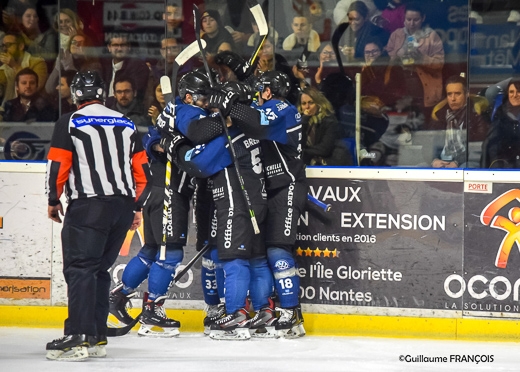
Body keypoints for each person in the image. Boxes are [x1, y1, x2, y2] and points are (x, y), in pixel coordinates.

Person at [156, 70, 272, 340]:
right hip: (257, 197)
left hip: (235, 200)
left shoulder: (229, 133)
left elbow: (200, 162)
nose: (209, 104)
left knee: (232, 258)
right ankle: (263, 312)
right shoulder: (250, 123)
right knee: (255, 259)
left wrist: (176, 148)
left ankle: (236, 316)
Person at [45, 70, 151, 361]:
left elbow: (58, 166)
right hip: (121, 208)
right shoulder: (127, 123)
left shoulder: (70, 122)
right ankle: (96, 337)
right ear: (103, 93)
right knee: (99, 270)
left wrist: (53, 200)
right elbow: (143, 173)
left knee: (81, 269)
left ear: (77, 94)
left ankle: (77, 336)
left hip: (89, 206)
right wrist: (136, 207)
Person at [108, 79, 196, 338]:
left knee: (151, 250)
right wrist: (166, 144)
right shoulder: (178, 115)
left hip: (159, 193)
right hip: (168, 194)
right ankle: (152, 310)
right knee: (169, 255)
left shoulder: (173, 113)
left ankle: (119, 296)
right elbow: (152, 141)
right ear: (190, 97)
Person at [385, 2, 444, 121]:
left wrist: (421, 58)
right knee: (400, 121)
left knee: (420, 120)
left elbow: (440, 63)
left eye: (416, 20)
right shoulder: (396, 35)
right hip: (400, 84)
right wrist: (397, 55)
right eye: (408, 19)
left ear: (423, 18)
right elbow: (386, 58)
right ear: (404, 19)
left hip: (422, 86)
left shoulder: (432, 36)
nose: (411, 23)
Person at [429, 75, 489, 168]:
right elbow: (428, 143)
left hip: (466, 161)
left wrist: (457, 162)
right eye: (449, 94)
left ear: (467, 94)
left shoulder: (477, 114)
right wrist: (434, 160)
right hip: (441, 161)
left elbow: (477, 148)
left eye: (457, 94)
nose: (453, 99)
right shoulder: (439, 115)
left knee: (466, 167)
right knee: (420, 166)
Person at [298, 86, 352, 166]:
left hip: (330, 164)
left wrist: (302, 151)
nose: (307, 107)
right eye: (304, 103)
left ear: (319, 104)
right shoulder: (300, 121)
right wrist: (304, 121)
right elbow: (297, 143)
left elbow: (324, 149)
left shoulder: (330, 120)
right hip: (306, 163)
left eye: (311, 103)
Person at [0, 31, 48, 108]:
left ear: (21, 46)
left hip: (34, 108)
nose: (5, 49)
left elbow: (36, 87)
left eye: (8, 45)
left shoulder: (38, 63)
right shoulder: (4, 68)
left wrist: (14, 66)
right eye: (3, 46)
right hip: (9, 108)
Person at [481, 79, 520, 169]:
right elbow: (490, 146)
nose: (514, 95)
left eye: (519, 92)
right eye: (511, 92)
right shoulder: (500, 116)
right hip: (503, 167)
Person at [101, 34, 150, 101]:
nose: (119, 48)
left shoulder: (138, 66)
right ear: (109, 48)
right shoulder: (104, 66)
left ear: (129, 47)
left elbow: (134, 96)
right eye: (115, 45)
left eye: (123, 45)